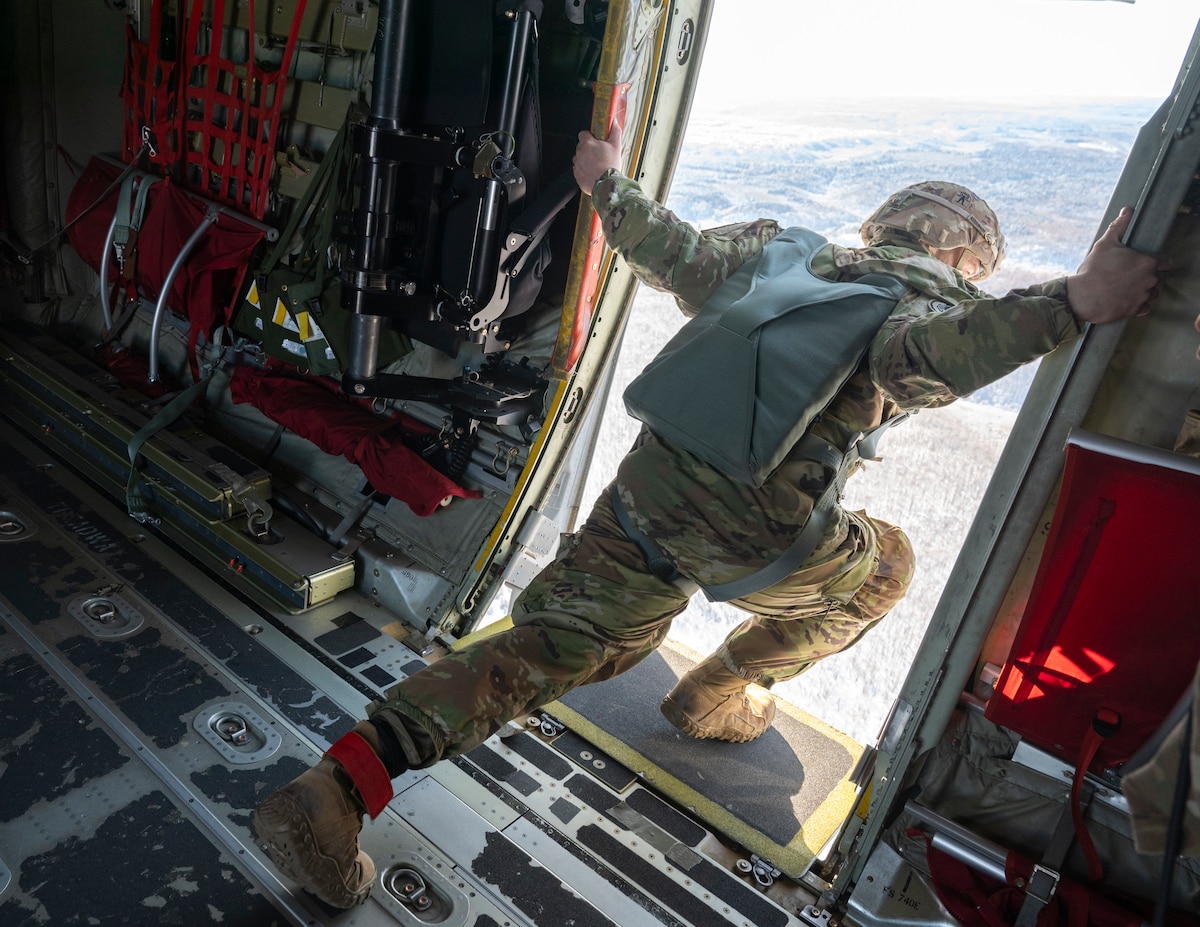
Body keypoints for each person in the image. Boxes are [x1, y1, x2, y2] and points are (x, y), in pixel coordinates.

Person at [252, 124, 1162, 909]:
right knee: (888, 564)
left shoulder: (782, 249)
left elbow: (670, 252)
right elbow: (934, 354)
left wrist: (604, 176)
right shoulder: (922, 297)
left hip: (649, 487)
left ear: (883, 221)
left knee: (545, 647)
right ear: (964, 258)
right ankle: (719, 690)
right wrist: (1075, 302)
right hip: (757, 541)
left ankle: (341, 782)